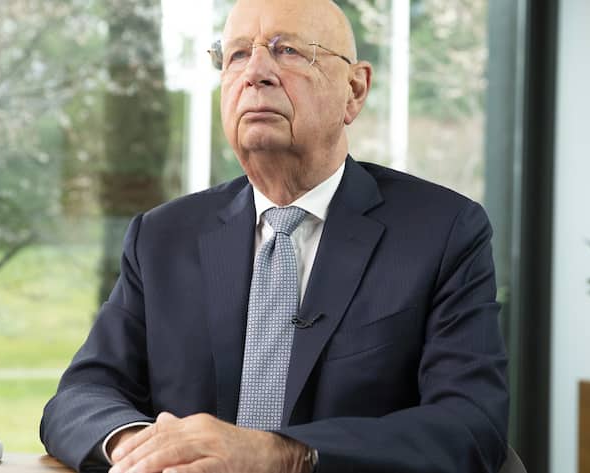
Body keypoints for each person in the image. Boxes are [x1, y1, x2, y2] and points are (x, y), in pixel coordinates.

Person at [40, 0, 509, 471]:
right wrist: (139, 448)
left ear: (355, 90)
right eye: (237, 54)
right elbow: (80, 397)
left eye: (287, 51)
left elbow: (470, 426)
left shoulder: (443, 231)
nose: (255, 73)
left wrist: (283, 455)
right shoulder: (162, 236)